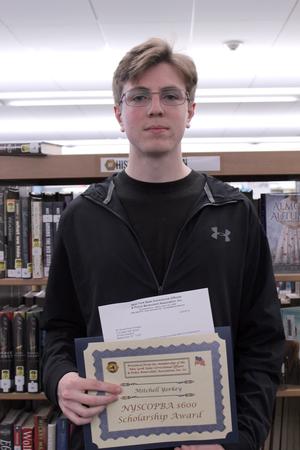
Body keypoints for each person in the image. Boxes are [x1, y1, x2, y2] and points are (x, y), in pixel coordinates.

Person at [42, 38, 285, 450]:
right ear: (119, 114)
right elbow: (59, 330)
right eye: (139, 96)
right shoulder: (82, 216)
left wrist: (241, 439)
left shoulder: (233, 213)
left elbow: (262, 341)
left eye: (170, 95)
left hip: (212, 441)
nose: (155, 107)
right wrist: (60, 379)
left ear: (190, 110)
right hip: (110, 437)